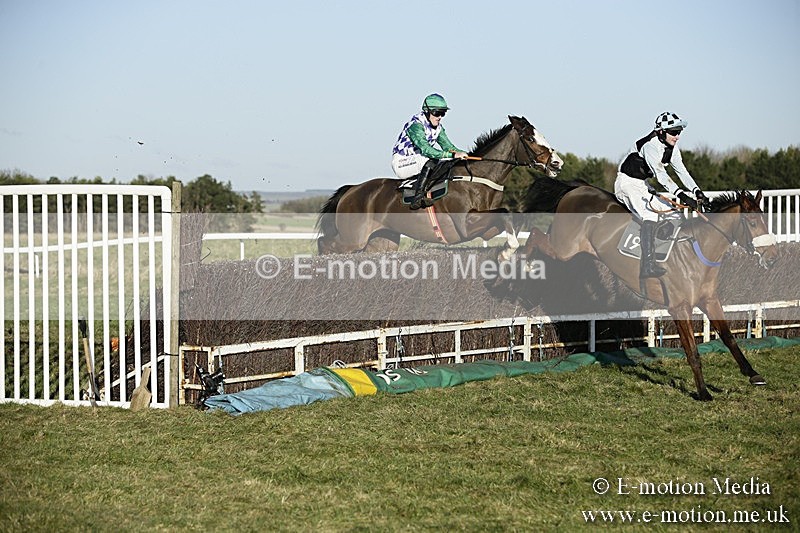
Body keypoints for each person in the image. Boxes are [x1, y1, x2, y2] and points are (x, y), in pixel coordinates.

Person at [614, 111, 709, 279]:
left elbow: (682, 172)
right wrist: (683, 196)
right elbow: (661, 175)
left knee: (675, 215)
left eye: (679, 132)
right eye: (673, 132)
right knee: (650, 216)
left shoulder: (672, 149)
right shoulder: (650, 146)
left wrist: (697, 192)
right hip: (627, 184)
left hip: (643, 185)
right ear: (661, 132)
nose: (677, 136)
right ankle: (647, 265)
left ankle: (660, 250)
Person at [391, 93, 469, 209]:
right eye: (437, 113)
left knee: (447, 160)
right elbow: (426, 149)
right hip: (402, 162)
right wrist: (452, 154)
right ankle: (418, 198)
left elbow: (448, 147)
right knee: (432, 159)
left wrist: (466, 154)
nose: (440, 117)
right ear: (427, 112)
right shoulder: (416, 126)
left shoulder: (438, 128)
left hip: (420, 159)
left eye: (443, 113)